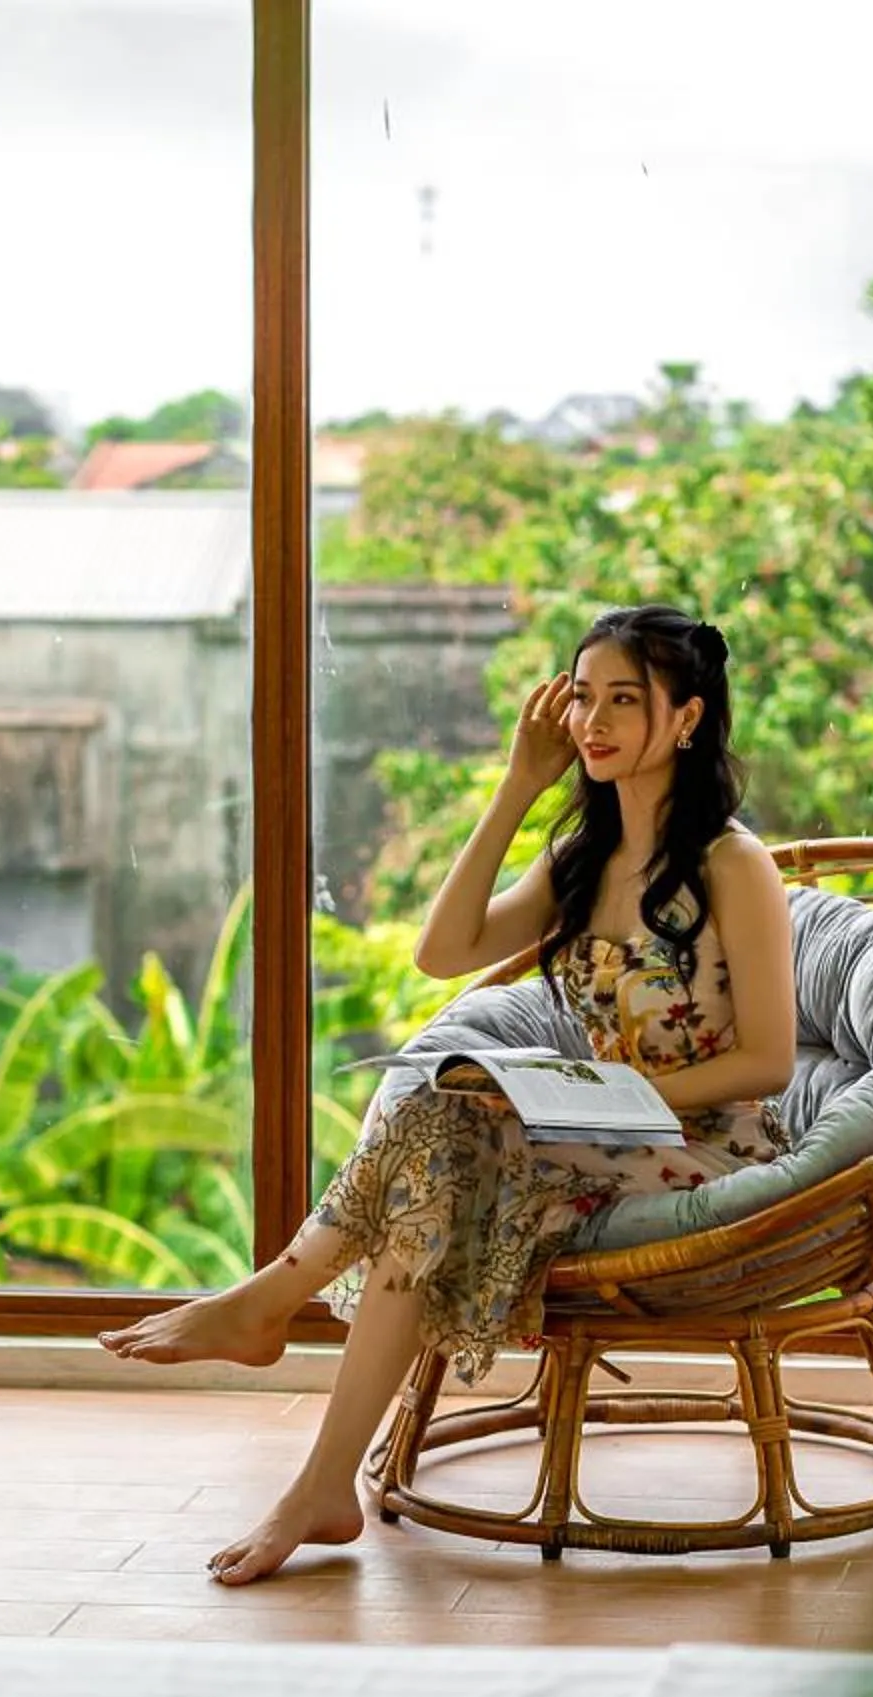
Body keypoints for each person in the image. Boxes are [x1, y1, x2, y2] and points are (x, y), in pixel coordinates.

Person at [101, 604, 799, 1583]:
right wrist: (519, 786)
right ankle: (319, 1476)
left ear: (686, 718)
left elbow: (768, 1060)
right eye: (582, 696)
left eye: (623, 701)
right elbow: (443, 952)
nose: (591, 721)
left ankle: (270, 1304)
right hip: (590, 1136)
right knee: (438, 1141)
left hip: (706, 1150)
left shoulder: (733, 863)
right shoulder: (582, 863)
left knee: (445, 1134)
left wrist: (625, 1090)